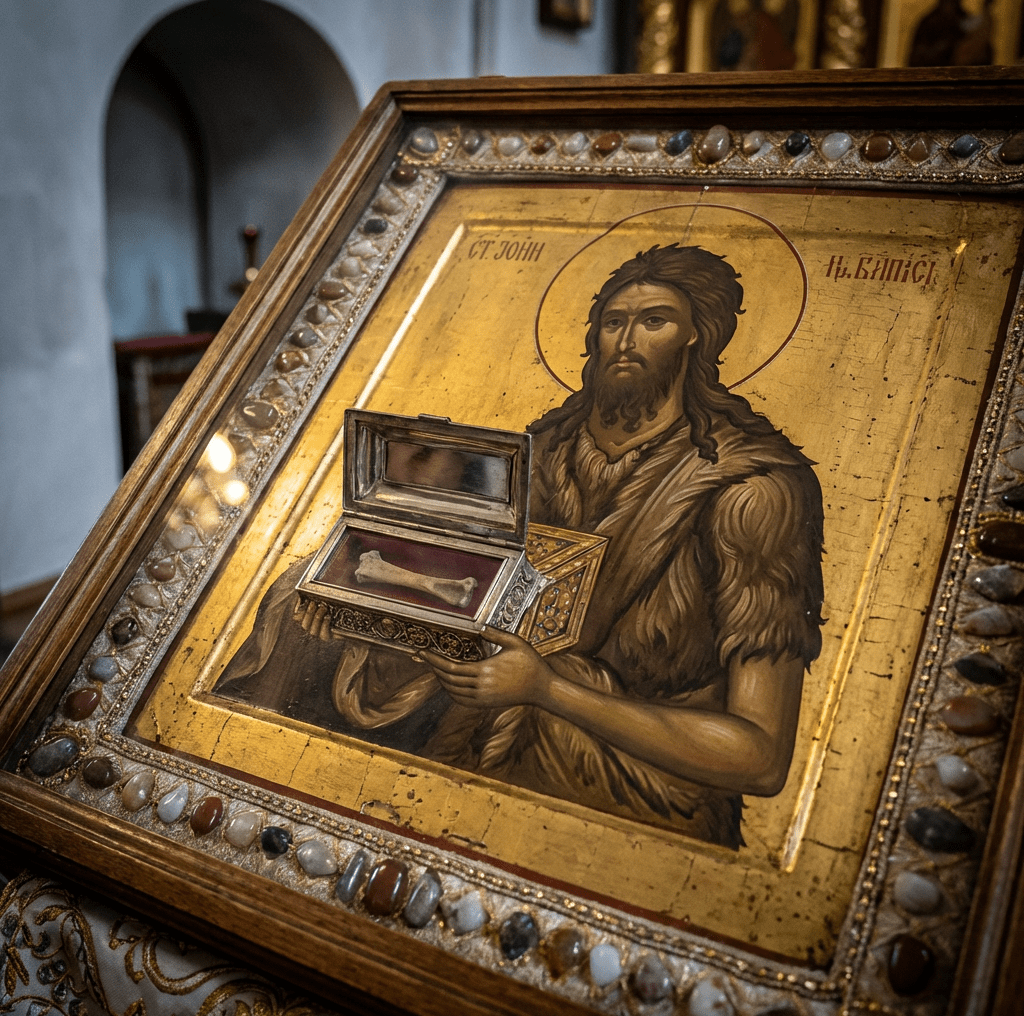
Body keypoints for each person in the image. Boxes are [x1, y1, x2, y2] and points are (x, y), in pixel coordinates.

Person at [215, 244, 824, 849]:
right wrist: (345, 597)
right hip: (485, 697)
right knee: (293, 599)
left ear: (700, 339)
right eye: (613, 322)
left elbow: (761, 757)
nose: (626, 340)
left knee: (532, 704)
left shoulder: (754, 490)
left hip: (630, 777)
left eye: (655, 321)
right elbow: (454, 578)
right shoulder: (540, 449)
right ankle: (234, 795)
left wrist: (547, 689)